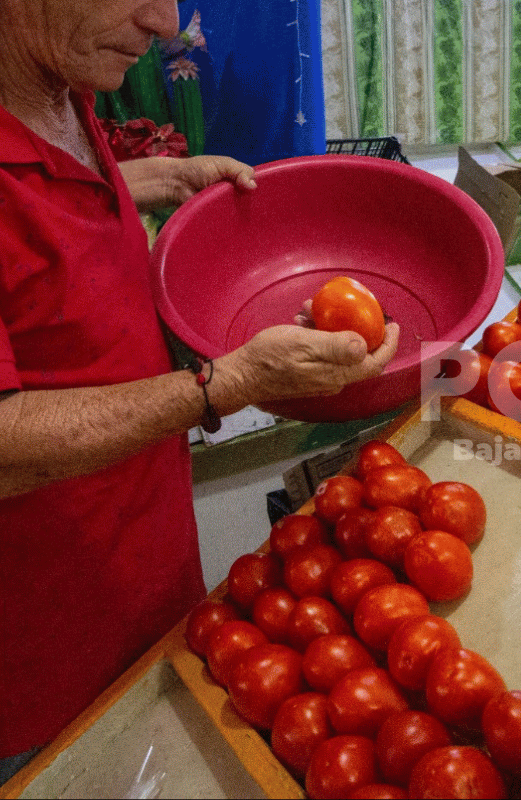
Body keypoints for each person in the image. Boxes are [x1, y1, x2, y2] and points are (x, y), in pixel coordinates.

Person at [0, 0, 400, 781]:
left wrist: (149, 178)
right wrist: (228, 384)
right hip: (36, 658)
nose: (166, 20)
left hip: (138, 565)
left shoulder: (56, 78)